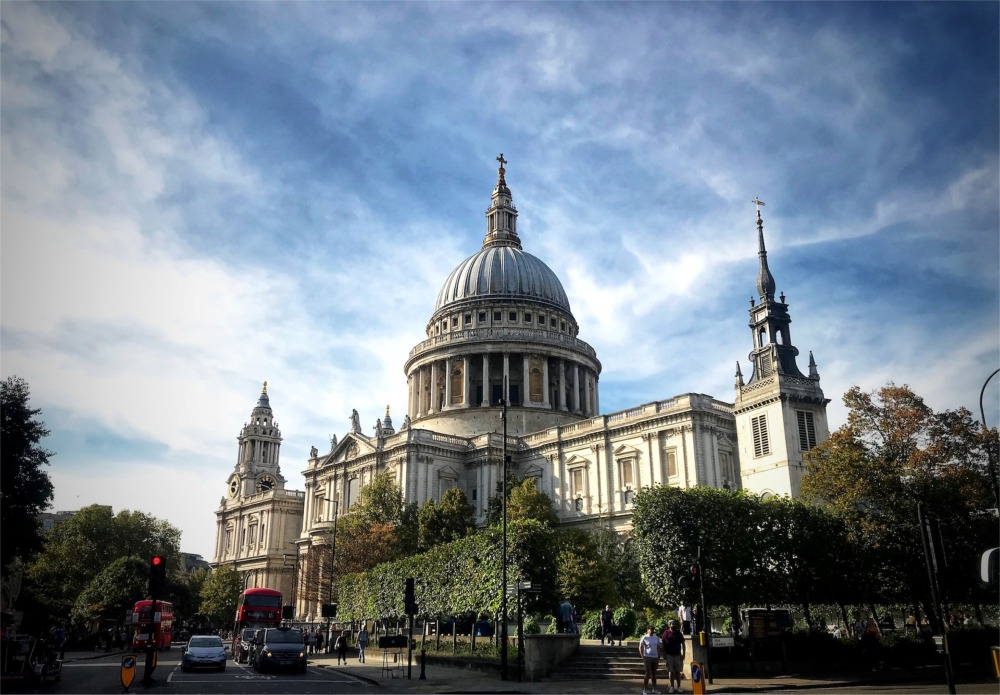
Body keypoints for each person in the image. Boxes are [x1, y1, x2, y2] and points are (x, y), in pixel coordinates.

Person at [661, 619, 686, 693]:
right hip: (669, 655)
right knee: (671, 671)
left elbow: (683, 643)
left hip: (677, 655)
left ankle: (679, 686)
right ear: (669, 625)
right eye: (672, 623)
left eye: (674, 623)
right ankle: (672, 686)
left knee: (678, 671)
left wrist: (683, 654)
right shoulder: (666, 633)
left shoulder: (678, 633)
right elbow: (663, 644)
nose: (673, 625)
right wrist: (664, 653)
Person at [638, 625, 661, 695]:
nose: (652, 630)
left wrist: (658, 655)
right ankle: (645, 689)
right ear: (647, 630)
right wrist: (642, 656)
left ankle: (654, 689)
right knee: (647, 673)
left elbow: (659, 646)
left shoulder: (656, 637)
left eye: (653, 629)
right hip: (647, 657)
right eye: (650, 629)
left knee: (654, 673)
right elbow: (640, 647)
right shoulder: (644, 637)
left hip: (655, 657)